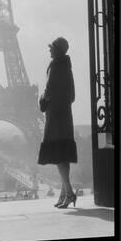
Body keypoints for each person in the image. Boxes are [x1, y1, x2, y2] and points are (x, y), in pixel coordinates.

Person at [38, 37, 78, 209]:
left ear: (58, 50)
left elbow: (48, 90)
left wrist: (42, 101)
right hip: (65, 115)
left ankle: (69, 193)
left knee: (58, 155)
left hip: (55, 115)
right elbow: (72, 96)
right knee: (63, 154)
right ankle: (64, 193)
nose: (49, 50)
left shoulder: (55, 65)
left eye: (51, 47)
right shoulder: (67, 67)